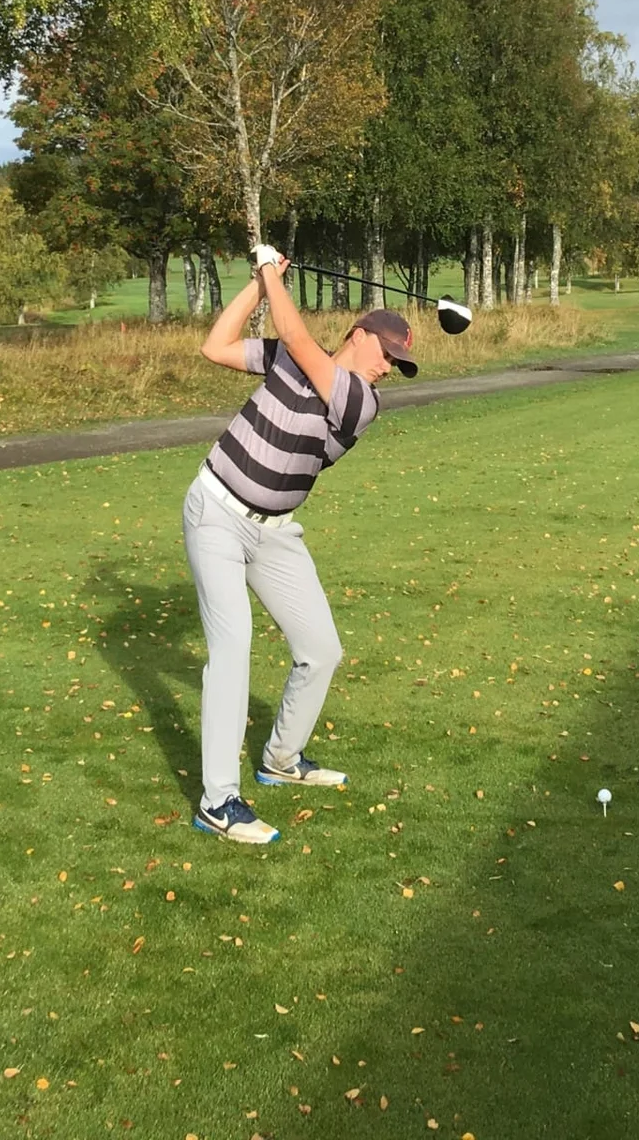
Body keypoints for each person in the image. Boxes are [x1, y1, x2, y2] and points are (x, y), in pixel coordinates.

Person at [184, 247, 416, 844]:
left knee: (321, 649)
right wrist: (259, 286)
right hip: (216, 512)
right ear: (359, 335)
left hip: (275, 532)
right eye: (387, 354)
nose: (389, 367)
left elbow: (295, 334)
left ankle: (282, 759)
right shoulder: (290, 360)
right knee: (232, 650)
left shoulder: (359, 400)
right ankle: (218, 801)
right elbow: (215, 345)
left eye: (397, 363)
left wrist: (270, 273)